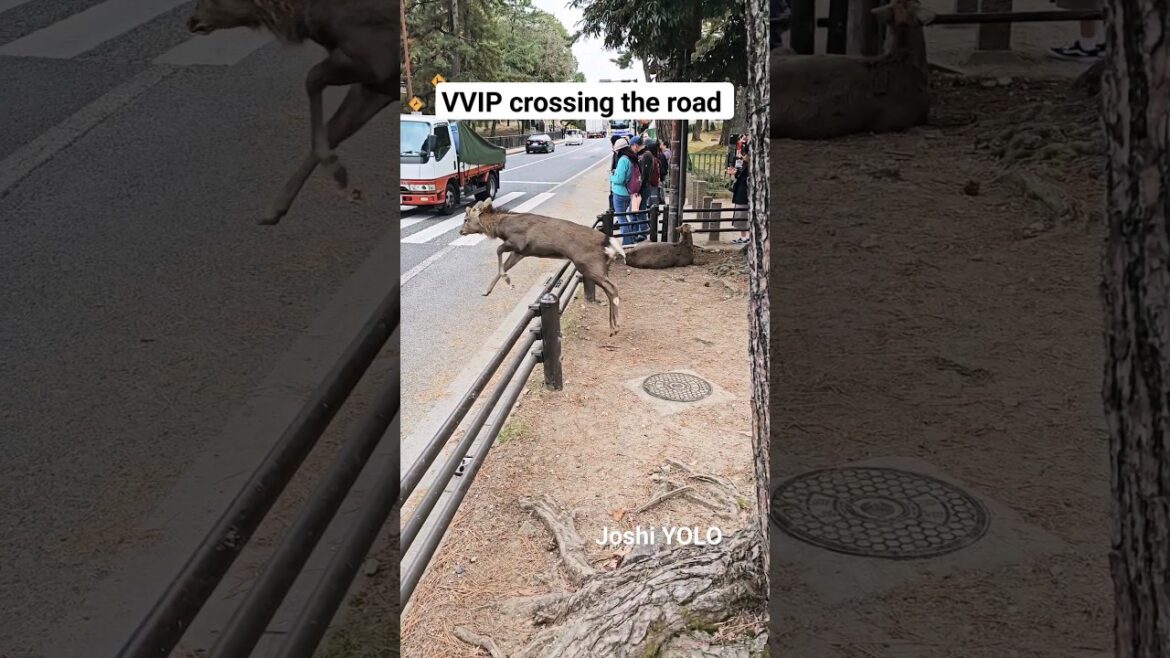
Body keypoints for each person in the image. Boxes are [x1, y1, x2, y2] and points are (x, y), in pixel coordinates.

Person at [608, 138, 641, 246]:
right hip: (628, 192)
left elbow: (619, 179)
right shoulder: (632, 158)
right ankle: (630, 238)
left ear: (620, 150)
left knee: (621, 218)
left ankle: (627, 241)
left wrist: (611, 176)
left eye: (617, 151)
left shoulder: (623, 160)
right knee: (624, 216)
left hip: (620, 192)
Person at [726, 135, 750, 244]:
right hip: (741, 193)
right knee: (741, 216)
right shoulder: (744, 165)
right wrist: (734, 174)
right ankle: (744, 236)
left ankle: (745, 237)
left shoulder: (751, 167)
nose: (743, 156)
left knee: (742, 216)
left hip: (744, 194)